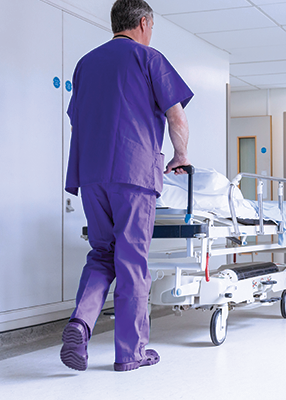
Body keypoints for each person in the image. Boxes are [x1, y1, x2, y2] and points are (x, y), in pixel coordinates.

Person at [61, 0, 194, 372]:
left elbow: (77, 119)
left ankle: (80, 323)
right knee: (132, 260)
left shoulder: (86, 64)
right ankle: (130, 353)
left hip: (91, 174)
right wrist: (180, 155)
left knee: (103, 254)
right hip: (133, 174)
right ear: (144, 22)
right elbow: (176, 117)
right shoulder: (149, 59)